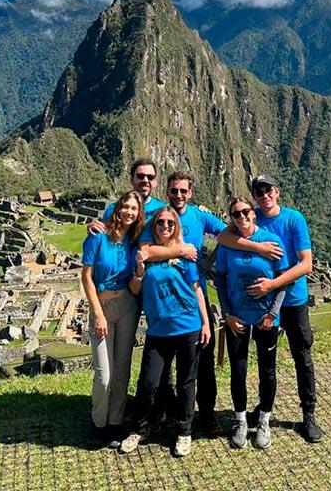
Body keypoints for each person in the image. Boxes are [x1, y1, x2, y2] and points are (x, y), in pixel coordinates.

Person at [217, 174, 324, 443]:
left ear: (277, 192)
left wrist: (272, 284)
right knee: (266, 364)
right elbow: (223, 238)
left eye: (268, 190)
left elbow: (306, 264)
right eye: (258, 192)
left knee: (302, 356)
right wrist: (258, 247)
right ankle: (262, 409)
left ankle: (308, 415)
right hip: (260, 307)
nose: (264, 195)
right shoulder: (251, 219)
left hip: (292, 299)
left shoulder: (293, 219)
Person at [136, 171, 227, 437]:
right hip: (163, 298)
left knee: (204, 361)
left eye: (183, 191)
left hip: (194, 292)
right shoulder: (157, 216)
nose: (178, 195)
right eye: (174, 190)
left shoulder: (200, 216)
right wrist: (181, 250)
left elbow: (228, 233)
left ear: (190, 193)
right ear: (168, 190)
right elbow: (145, 251)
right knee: (163, 367)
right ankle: (170, 413)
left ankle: (207, 416)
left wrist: (207, 263)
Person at [119, 207, 211, 458]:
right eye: (161, 222)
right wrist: (138, 271)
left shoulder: (186, 255)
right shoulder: (145, 256)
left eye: (171, 223)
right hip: (158, 330)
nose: (166, 226)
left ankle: (184, 432)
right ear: (155, 225)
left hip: (187, 326)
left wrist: (205, 323)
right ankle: (139, 429)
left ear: (176, 226)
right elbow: (135, 289)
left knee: (185, 383)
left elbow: (196, 289)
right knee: (148, 382)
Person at [215, 197, 289, 450]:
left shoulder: (271, 241)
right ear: (232, 219)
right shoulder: (227, 246)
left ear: (253, 213)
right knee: (238, 370)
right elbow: (221, 279)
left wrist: (271, 314)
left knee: (267, 370)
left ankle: (264, 420)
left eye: (246, 211)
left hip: (265, 318)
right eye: (236, 214)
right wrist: (227, 313)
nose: (242, 217)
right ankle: (240, 420)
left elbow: (282, 281)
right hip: (237, 318)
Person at [80, 190, 145, 447]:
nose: (129, 211)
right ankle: (99, 422)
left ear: (138, 214)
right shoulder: (98, 237)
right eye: (126, 206)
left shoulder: (134, 242)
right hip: (102, 306)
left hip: (128, 305)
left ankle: (116, 423)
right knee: (103, 375)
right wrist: (97, 313)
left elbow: (135, 287)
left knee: (122, 369)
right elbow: (86, 277)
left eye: (134, 208)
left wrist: (139, 273)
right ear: (117, 209)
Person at [88, 158, 167, 234]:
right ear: (131, 180)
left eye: (150, 177)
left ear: (155, 182)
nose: (145, 180)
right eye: (140, 176)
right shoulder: (113, 210)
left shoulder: (163, 210)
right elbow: (104, 237)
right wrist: (94, 230)